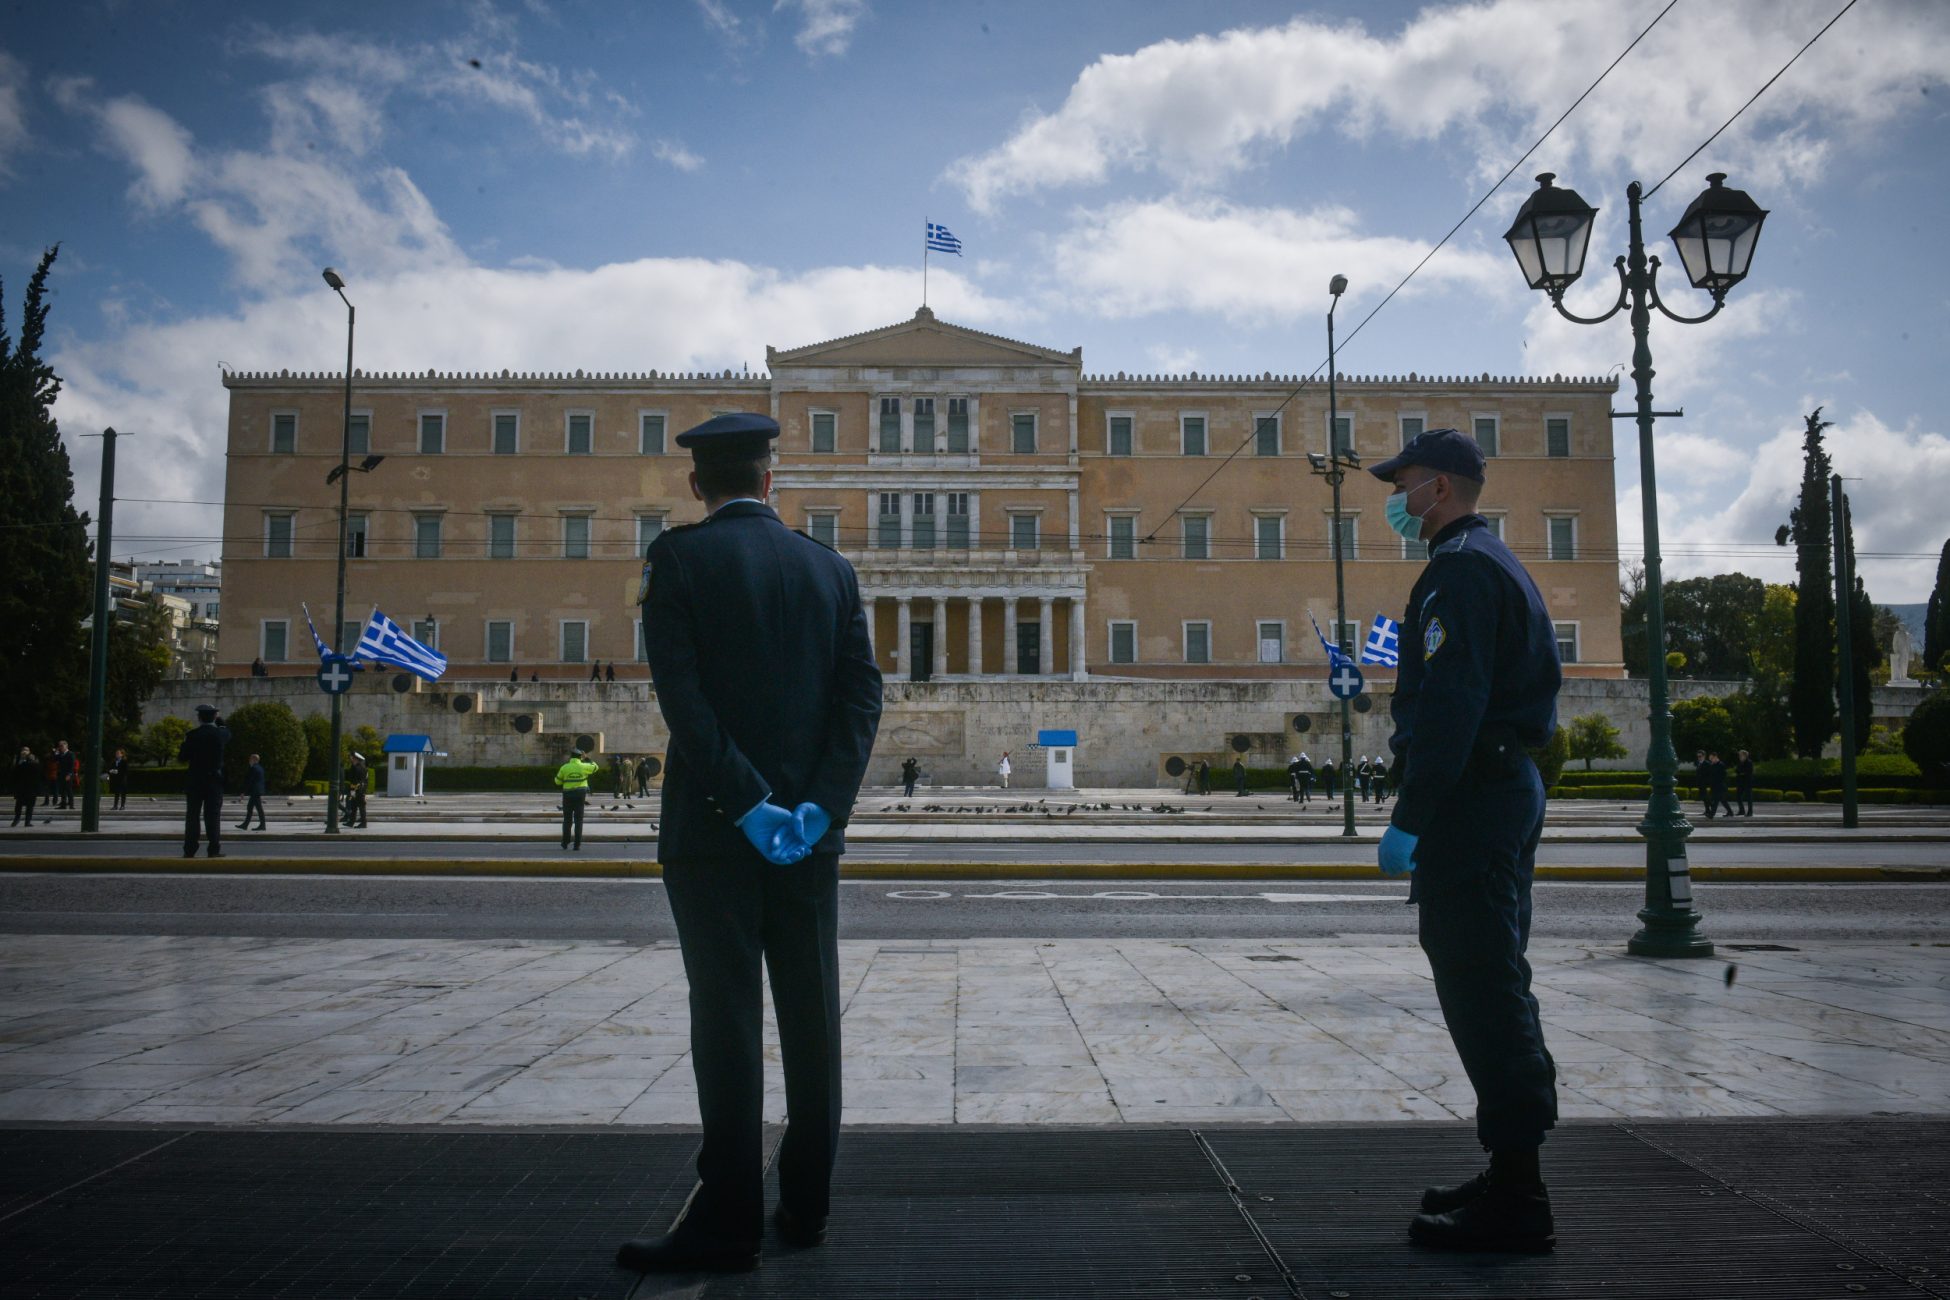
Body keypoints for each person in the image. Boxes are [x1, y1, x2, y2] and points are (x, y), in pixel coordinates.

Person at [623, 412, 881, 1275]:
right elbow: (860, 703)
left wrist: (750, 806)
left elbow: (685, 704)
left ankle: (727, 1221)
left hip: (711, 835)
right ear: (773, 482)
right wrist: (817, 811)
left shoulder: (678, 560)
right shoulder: (831, 568)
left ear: (698, 485)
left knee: (727, 1021)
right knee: (813, 1022)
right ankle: (805, 1208)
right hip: (809, 846)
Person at [1371, 428, 1562, 1253]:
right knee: (1496, 975)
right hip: (1502, 785)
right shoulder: (1497, 559)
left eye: (1403, 483)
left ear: (1438, 489)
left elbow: (1450, 705)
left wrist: (1410, 817)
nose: (1395, 499)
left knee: (1482, 983)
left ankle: (1520, 1198)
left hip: (1474, 797)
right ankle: (1508, 1167)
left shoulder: (1458, 571)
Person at [178, 705, 230, 858]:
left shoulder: (192, 735)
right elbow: (227, 731)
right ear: (214, 717)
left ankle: (190, 849)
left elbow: (182, 757)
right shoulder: (220, 734)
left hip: (195, 780)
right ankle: (213, 849)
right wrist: (220, 721)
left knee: (192, 816)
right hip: (214, 780)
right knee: (213, 816)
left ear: (199, 718)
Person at [555, 746, 598, 849]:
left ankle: (565, 843)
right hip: (580, 796)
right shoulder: (584, 766)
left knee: (567, 820)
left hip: (567, 796)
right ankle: (577, 844)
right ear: (580, 757)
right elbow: (596, 767)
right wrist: (587, 758)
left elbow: (557, 781)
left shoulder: (565, 767)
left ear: (571, 756)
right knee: (579, 820)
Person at [236, 753, 267, 831]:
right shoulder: (260, 768)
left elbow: (249, 781)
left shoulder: (253, 768)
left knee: (257, 808)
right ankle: (246, 825)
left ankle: (261, 825)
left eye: (250, 759)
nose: (249, 761)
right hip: (257, 791)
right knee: (251, 807)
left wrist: (243, 792)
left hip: (255, 791)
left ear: (254, 760)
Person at [11, 747, 37, 827]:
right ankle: (17, 819)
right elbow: (14, 773)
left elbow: (37, 771)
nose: (24, 752)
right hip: (21, 787)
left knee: (29, 806)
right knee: (19, 805)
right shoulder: (18, 760)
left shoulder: (33, 760)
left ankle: (27, 821)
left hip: (31, 787)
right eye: (23, 750)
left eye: (26, 751)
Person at [344, 752, 369, 828]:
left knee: (359, 806)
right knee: (354, 805)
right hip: (360, 789)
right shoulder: (364, 768)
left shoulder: (356, 767)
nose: (351, 759)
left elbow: (353, 779)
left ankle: (363, 822)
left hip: (356, 789)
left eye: (352, 758)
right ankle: (352, 821)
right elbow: (366, 781)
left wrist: (352, 790)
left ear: (356, 759)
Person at [1706, 750, 1733, 819]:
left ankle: (1712, 814)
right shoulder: (1712, 765)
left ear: (1715, 757)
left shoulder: (1721, 765)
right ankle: (1730, 812)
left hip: (1720, 787)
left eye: (1712, 758)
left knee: (1716, 800)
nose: (1711, 760)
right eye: (1710, 759)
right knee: (1722, 801)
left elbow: (1723, 777)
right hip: (1714, 786)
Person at [1735, 749, 1755, 817]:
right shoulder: (1740, 762)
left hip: (1747, 783)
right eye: (1739, 755)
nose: (1739, 756)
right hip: (1740, 783)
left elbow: (1749, 772)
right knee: (1738, 797)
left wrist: (1741, 773)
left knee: (1749, 798)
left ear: (1745, 756)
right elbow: (1737, 771)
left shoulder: (1749, 762)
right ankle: (1742, 810)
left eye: (1741, 755)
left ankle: (1750, 812)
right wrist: (1741, 773)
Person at [1694, 750, 1709, 816]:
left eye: (1700, 756)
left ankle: (1708, 810)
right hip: (1700, 783)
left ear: (1704, 756)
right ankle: (1707, 809)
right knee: (1703, 797)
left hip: (1704, 783)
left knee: (1705, 797)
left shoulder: (1707, 763)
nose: (1699, 758)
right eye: (1698, 756)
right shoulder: (1698, 763)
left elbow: (1708, 774)